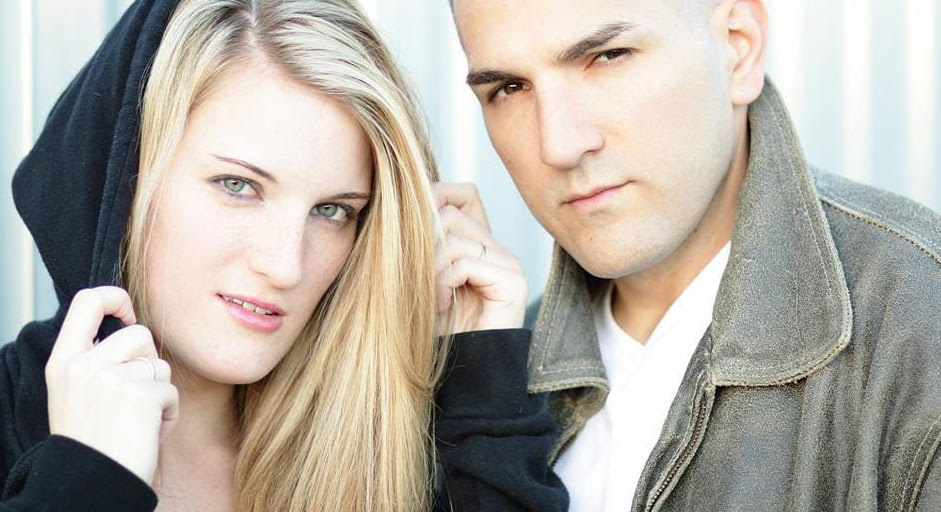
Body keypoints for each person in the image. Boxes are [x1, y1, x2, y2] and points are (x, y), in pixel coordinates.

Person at [2, 0, 566, 510]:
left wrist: (483, 398)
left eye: (333, 211)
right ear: (122, 176)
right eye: (238, 186)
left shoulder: (403, 454)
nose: (285, 266)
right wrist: (86, 481)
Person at [447, 0, 941, 510]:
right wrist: (477, 393)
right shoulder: (493, 375)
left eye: (608, 56)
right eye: (508, 89)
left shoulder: (919, 322)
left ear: (738, 47)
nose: (559, 146)